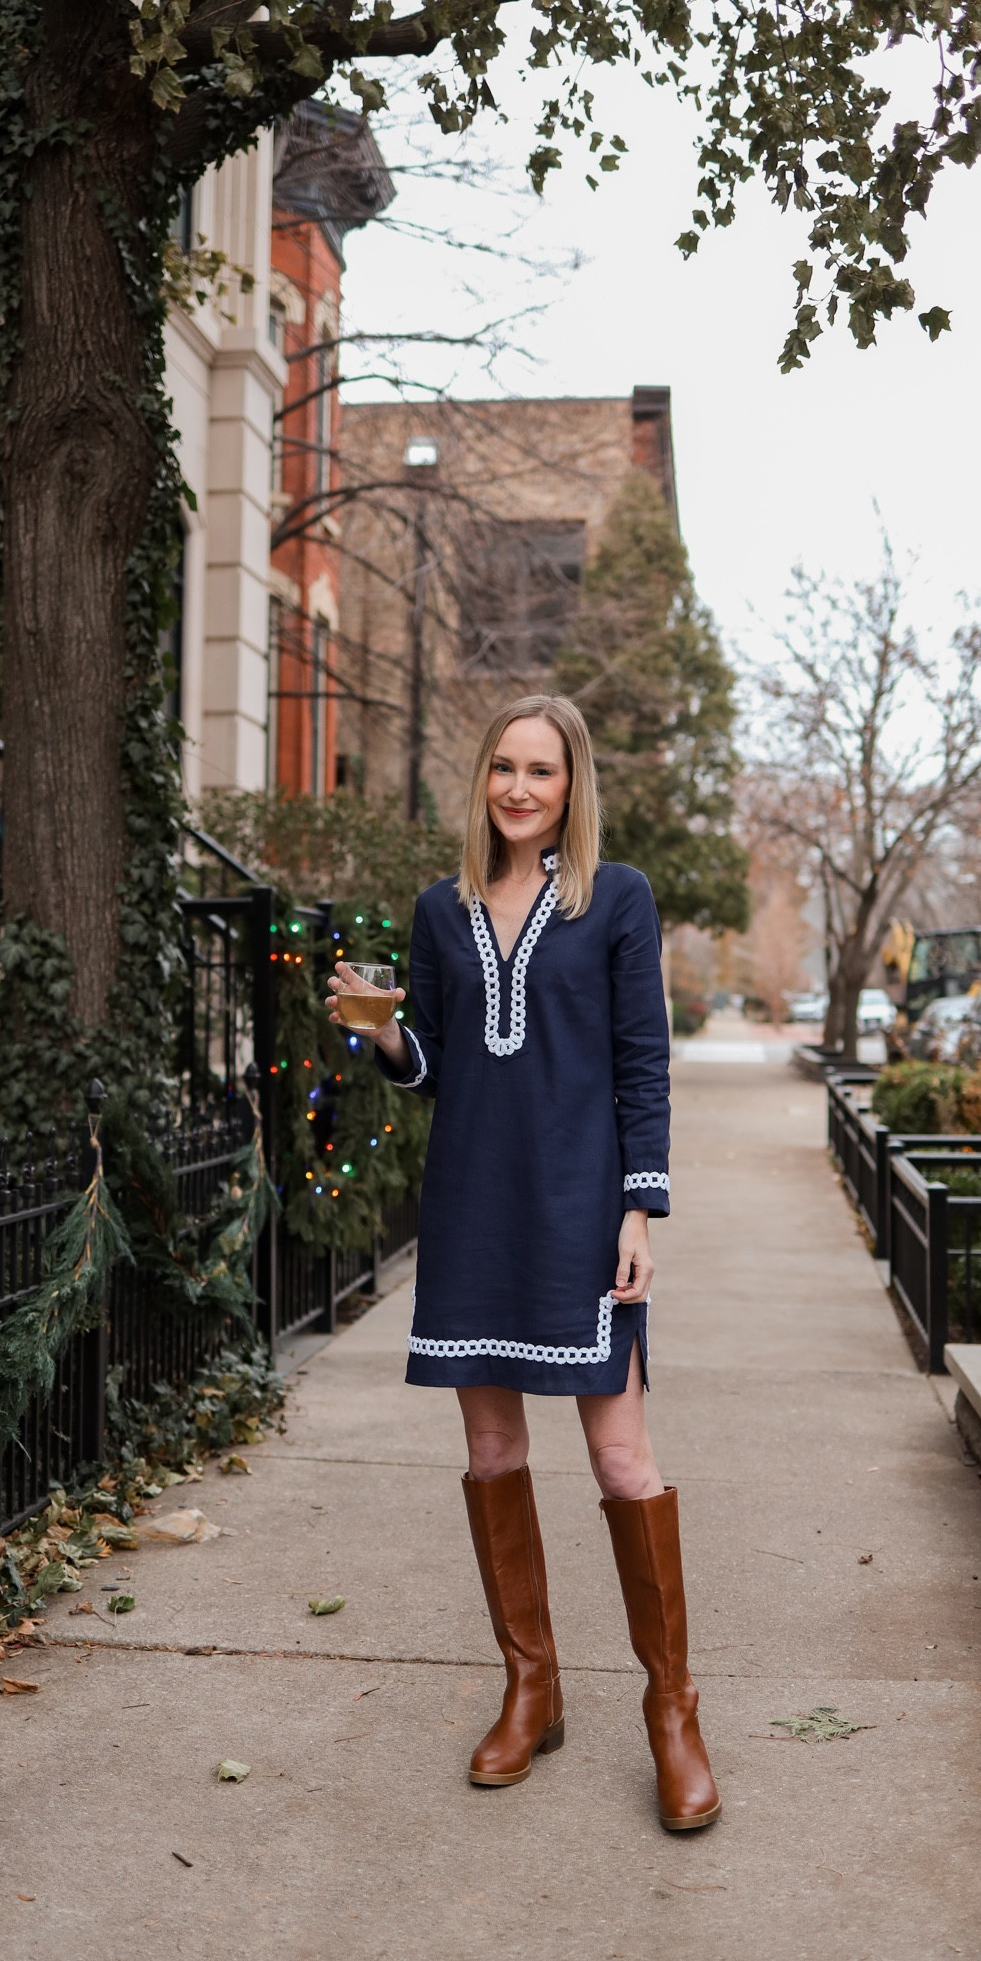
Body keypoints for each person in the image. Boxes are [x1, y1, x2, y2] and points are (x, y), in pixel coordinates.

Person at [327, 693, 719, 1832]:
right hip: (473, 1207)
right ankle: (531, 1685)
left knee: (621, 1458)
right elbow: (439, 1064)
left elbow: (642, 1063)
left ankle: (672, 1710)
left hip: (583, 1209)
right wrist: (383, 1030)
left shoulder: (616, 898)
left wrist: (639, 1210)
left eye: (540, 770)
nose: (517, 787)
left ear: (571, 784)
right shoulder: (439, 909)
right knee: (493, 1449)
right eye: (503, 766)